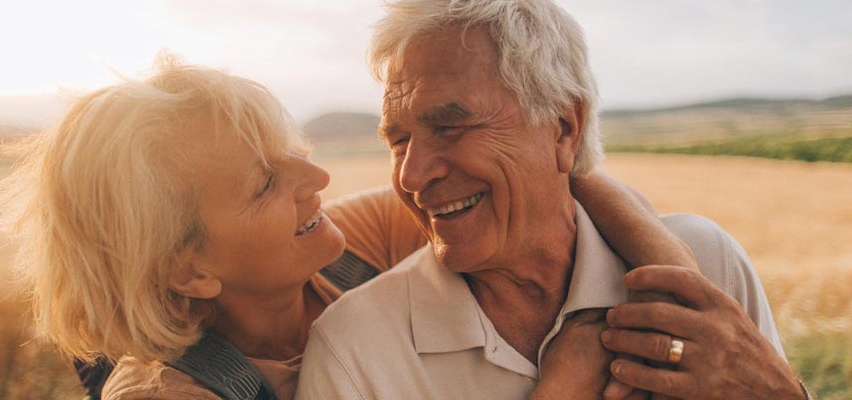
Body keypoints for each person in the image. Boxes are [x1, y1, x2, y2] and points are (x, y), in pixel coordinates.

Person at [0, 55, 697, 400]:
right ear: (188, 270)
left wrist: (688, 294)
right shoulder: (173, 396)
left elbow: (554, 180)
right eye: (268, 184)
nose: (319, 183)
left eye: (296, 157)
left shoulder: (343, 248)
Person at [295, 1, 809, 399]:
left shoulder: (707, 263)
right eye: (398, 141)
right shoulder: (355, 353)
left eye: (451, 127)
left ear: (564, 128)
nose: (410, 175)